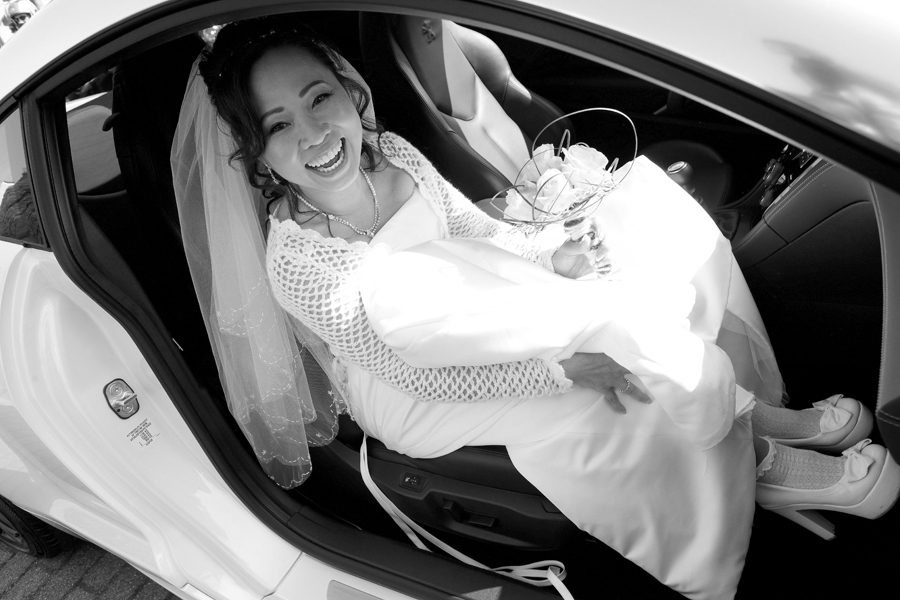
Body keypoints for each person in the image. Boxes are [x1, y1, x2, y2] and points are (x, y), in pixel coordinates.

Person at [171, 16, 900, 599]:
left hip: (468, 301)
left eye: (318, 98)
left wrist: (550, 255)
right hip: (410, 391)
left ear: (347, 89)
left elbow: (472, 231)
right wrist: (558, 371)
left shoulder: (391, 154)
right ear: (258, 154)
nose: (313, 134)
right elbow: (411, 374)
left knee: (624, 264)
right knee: (603, 377)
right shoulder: (299, 262)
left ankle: (743, 418)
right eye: (278, 125)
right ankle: (763, 465)